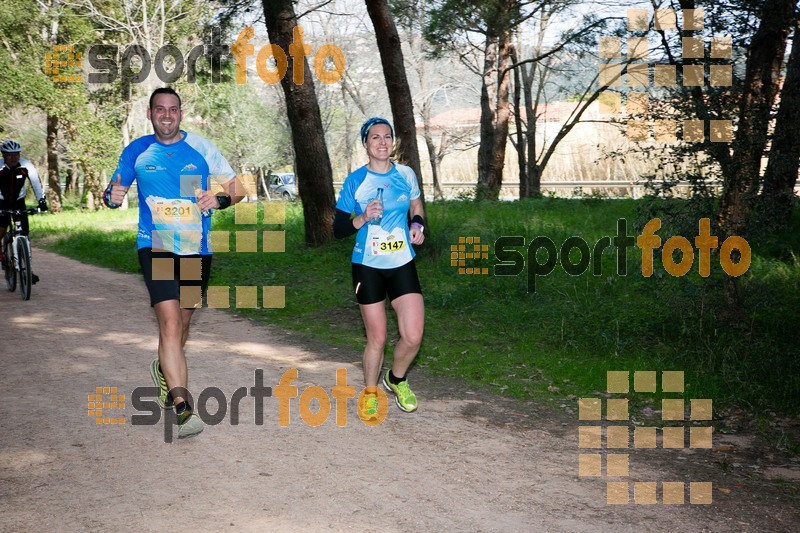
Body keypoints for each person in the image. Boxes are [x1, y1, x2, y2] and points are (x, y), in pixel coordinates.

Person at [104, 87, 245, 439]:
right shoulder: (136, 151)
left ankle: (164, 367)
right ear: (150, 114)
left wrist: (220, 198)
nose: (167, 115)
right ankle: (183, 408)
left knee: (182, 324)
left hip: (196, 248)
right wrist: (112, 196)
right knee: (169, 323)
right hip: (157, 246)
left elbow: (239, 188)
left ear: (181, 114)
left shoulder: (201, 148)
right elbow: (113, 190)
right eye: (160, 109)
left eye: (173, 109)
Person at [333, 117, 426, 421]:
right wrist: (362, 217)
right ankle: (370, 392)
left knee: (412, 336)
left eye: (387, 136)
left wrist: (417, 225)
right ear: (366, 144)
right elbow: (337, 229)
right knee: (379, 337)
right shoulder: (355, 181)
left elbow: (416, 205)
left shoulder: (406, 174)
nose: (383, 142)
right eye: (376, 137)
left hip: (401, 262)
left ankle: (396, 380)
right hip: (367, 266)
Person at [0, 140, 48, 282]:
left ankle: (28, 268)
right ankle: (3, 257)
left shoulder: (26, 165)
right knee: (1, 230)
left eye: (16, 154)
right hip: (1, 202)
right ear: (4, 156)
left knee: (24, 234)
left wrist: (42, 201)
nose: (13, 158)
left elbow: (36, 184)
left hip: (18, 202)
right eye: (9, 155)